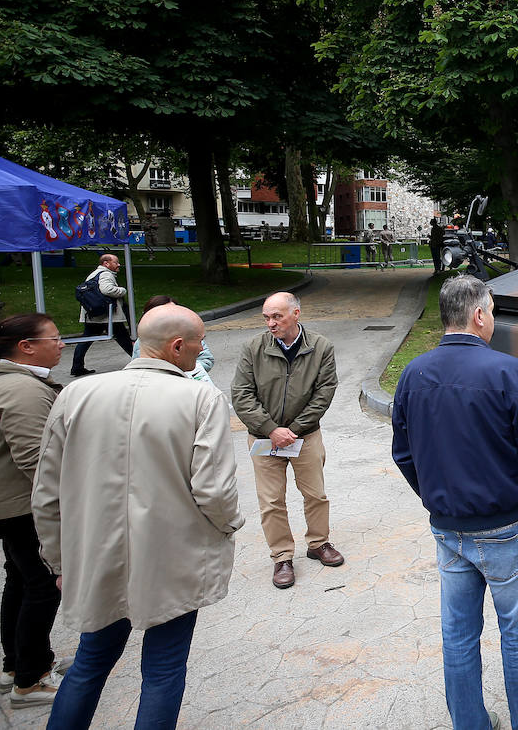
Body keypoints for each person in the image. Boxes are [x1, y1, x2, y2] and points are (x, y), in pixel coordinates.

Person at [33, 304, 242, 728]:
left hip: (96, 556)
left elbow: (47, 491)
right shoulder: (201, 397)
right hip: (174, 559)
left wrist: (58, 560)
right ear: (178, 346)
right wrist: (229, 527)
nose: (203, 349)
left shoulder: (76, 394)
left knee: (90, 663)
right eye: (200, 341)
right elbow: (215, 491)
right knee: (164, 670)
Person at [391, 274, 518, 730]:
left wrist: (436, 498)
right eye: (493, 313)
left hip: (448, 527)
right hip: (508, 524)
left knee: (459, 634)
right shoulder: (508, 372)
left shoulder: (413, 373)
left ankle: (469, 723)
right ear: (479, 315)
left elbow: (404, 453)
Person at [231, 292, 343, 589]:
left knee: (315, 494)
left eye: (277, 316)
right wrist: (270, 429)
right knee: (271, 501)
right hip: (264, 439)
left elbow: (325, 392)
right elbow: (241, 394)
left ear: (296, 314)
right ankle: (282, 556)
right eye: (266, 317)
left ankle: (319, 543)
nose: (271, 323)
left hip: (304, 436)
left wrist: (293, 429)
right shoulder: (253, 348)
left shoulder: (321, 347)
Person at [0, 314, 66, 708]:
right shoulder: (21, 389)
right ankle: (30, 681)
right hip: (22, 506)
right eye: (55, 338)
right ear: (26, 346)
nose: (62, 344)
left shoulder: (5, 381)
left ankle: (19, 665)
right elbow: (39, 463)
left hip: (4, 503)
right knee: (43, 584)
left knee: (20, 578)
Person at [68, 253, 133, 376]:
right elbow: (107, 289)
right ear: (106, 263)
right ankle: (138, 361)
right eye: (116, 262)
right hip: (108, 316)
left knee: (86, 339)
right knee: (123, 338)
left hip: (94, 314)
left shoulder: (94, 274)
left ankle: (77, 366)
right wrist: (122, 291)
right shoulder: (106, 274)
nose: (119, 264)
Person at [131, 295, 215, 383]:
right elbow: (137, 367)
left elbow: (206, 358)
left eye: (175, 311)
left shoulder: (191, 336)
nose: (172, 314)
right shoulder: (142, 342)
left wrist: (190, 369)